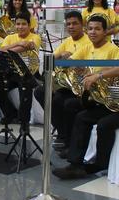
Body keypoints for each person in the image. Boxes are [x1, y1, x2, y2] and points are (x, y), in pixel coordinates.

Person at [53, 9, 119, 179]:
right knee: (82, 117)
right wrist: (92, 73)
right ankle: (75, 164)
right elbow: (112, 67)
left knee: (105, 124)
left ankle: (101, 164)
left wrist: (99, 75)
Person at [34, 11, 91, 145]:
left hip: (79, 84)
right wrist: (61, 56)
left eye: (75, 23)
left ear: (82, 25)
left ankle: (65, 135)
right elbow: (52, 58)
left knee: (58, 99)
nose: (71, 27)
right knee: (40, 91)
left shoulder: (89, 41)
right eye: (68, 24)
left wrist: (71, 58)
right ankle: (61, 129)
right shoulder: (67, 41)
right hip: (65, 82)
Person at [0, 12, 41, 132]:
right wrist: (17, 43)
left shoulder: (35, 37)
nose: (20, 27)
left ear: (29, 25)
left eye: (23, 24)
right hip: (11, 71)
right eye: (18, 24)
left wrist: (11, 48)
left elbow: (14, 49)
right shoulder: (10, 38)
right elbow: (1, 50)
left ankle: (24, 122)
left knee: (25, 88)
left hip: (28, 72)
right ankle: (11, 113)